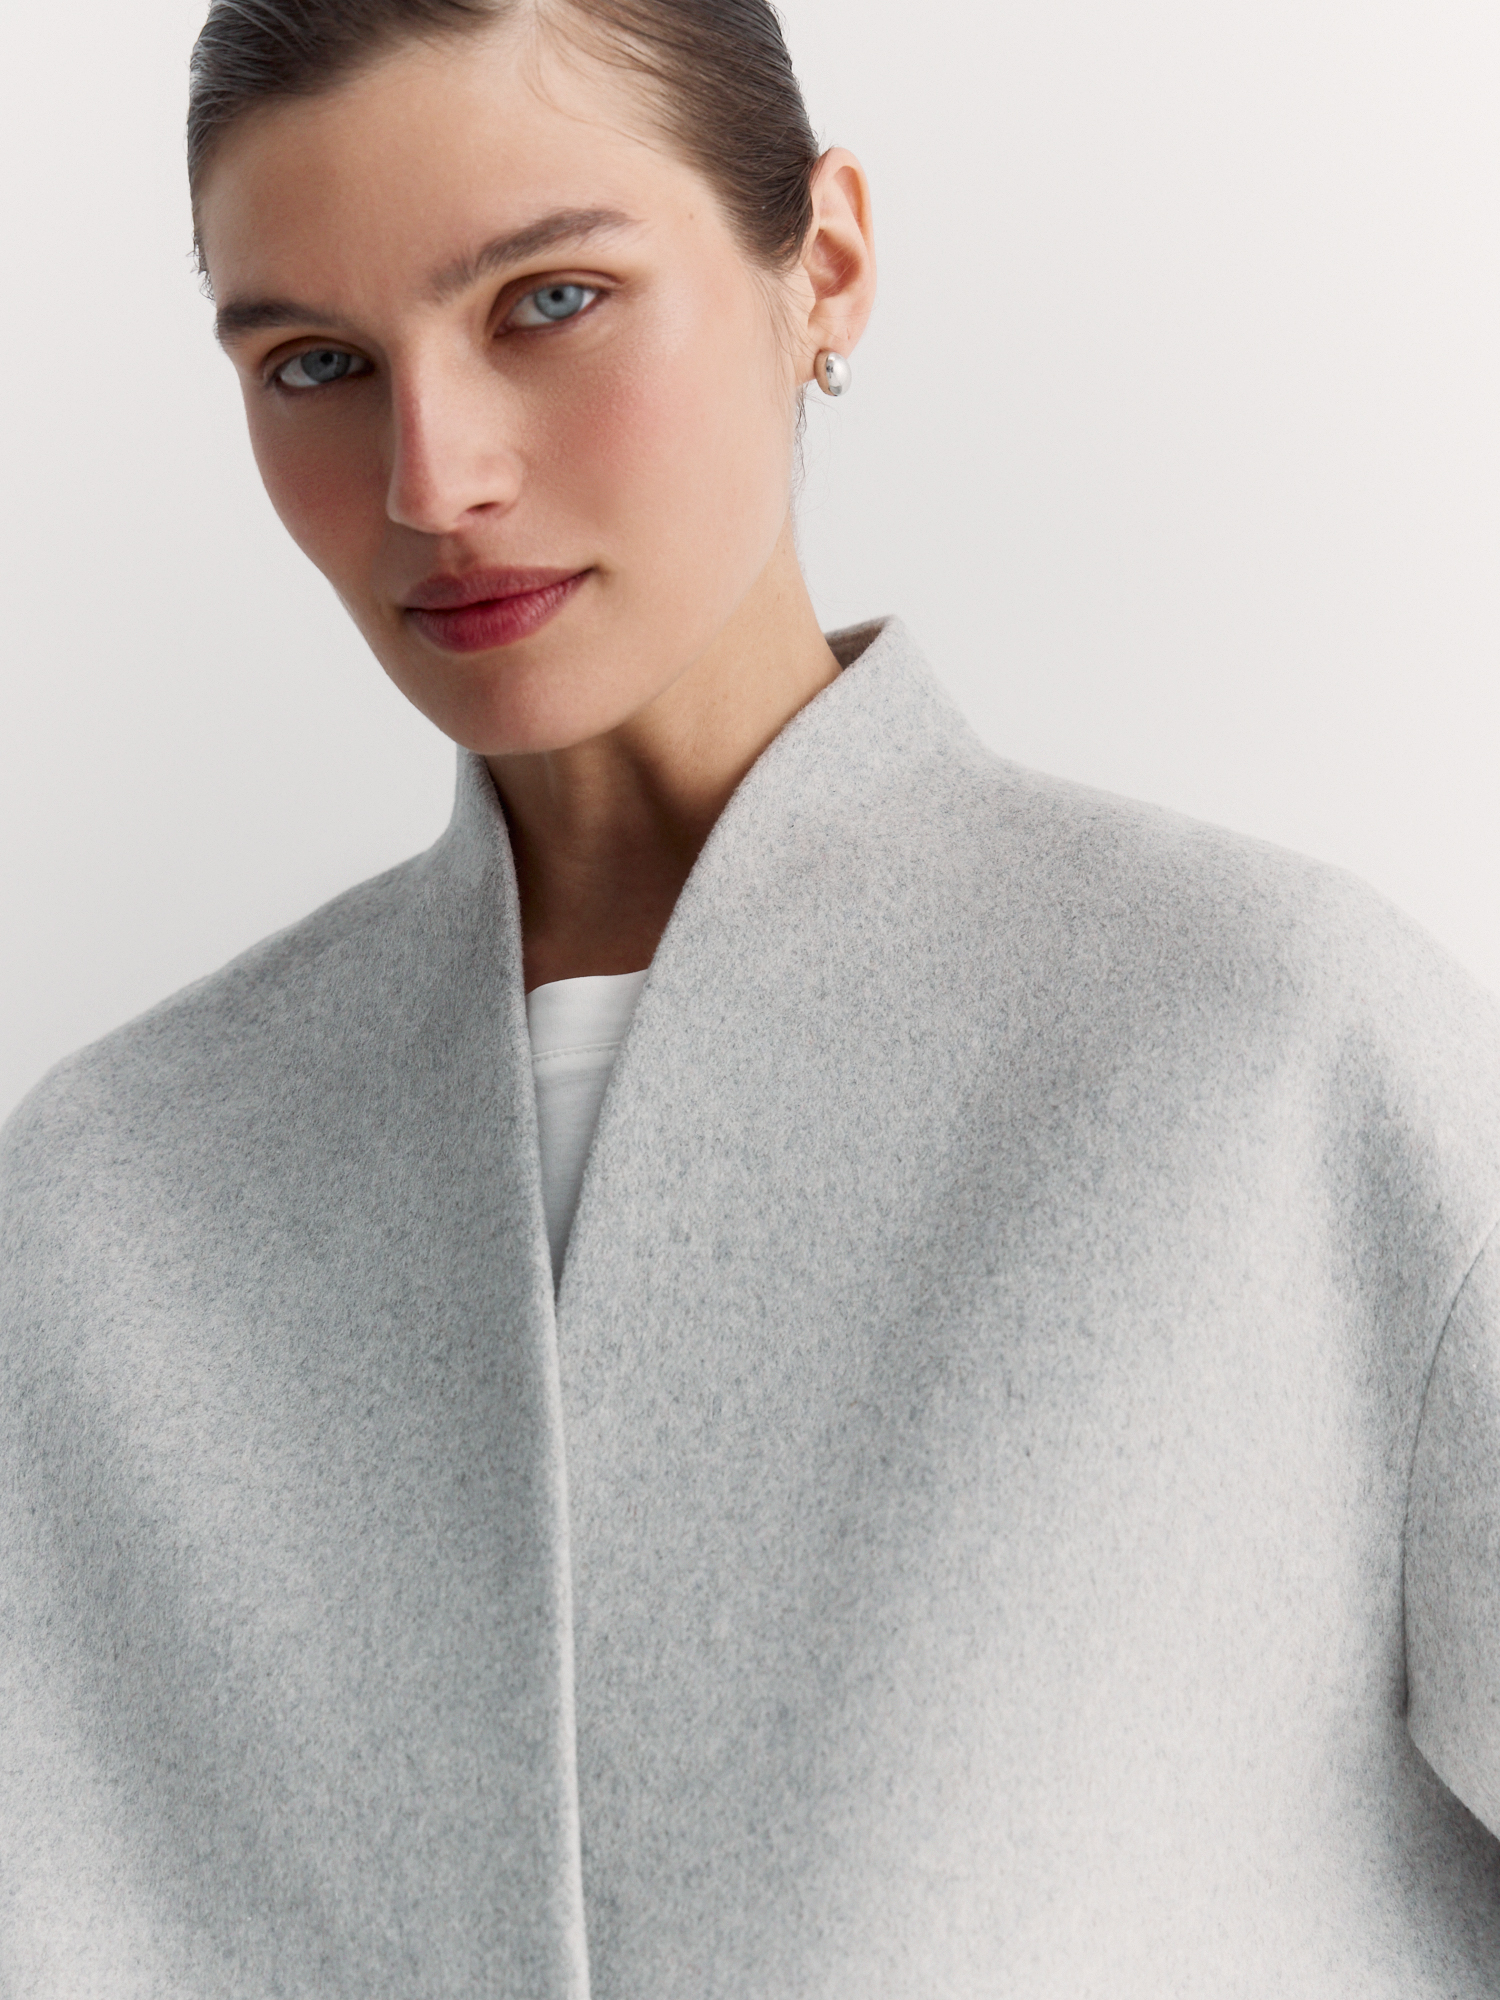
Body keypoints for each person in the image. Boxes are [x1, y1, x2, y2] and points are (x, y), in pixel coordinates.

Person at [2, 0, 1499, 1991]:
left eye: (549, 301)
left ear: (830, 268)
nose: (434, 475)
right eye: (316, 363)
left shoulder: (1280, 1065)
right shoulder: (101, 1207)